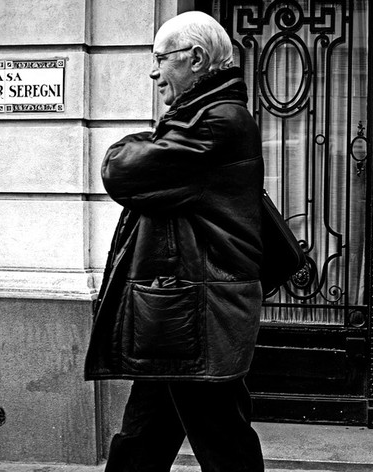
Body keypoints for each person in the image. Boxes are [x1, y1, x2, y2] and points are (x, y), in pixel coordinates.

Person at [84, 11, 265, 472]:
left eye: (161, 58)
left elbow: (121, 170)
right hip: (178, 308)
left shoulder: (215, 123)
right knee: (143, 436)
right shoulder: (202, 118)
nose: (153, 70)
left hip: (198, 313)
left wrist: (135, 144)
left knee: (223, 442)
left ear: (197, 59)